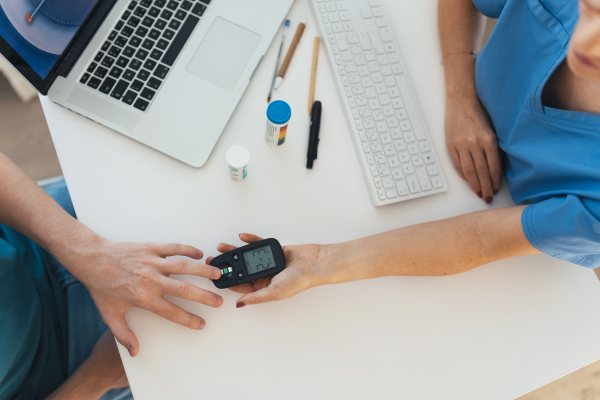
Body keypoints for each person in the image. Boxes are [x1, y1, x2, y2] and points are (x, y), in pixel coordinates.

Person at [208, 0, 600, 307]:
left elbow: (483, 239)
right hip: (440, 101)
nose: (586, 40)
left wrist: (322, 262)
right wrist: (460, 92)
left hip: (504, 229)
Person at [0, 153, 223, 399]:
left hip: (37, 228)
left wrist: (89, 253)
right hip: (71, 364)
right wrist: (97, 377)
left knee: (181, 177)